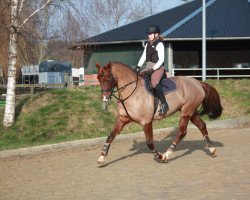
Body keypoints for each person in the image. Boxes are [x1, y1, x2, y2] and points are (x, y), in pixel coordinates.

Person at [135, 24, 169, 115]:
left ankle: (164, 103)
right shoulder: (147, 44)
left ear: (156, 34)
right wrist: (138, 67)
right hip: (148, 67)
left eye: (150, 34)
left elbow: (161, 59)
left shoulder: (160, 44)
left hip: (158, 67)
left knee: (154, 83)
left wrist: (153, 69)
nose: (148, 35)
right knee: (137, 78)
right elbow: (143, 57)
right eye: (148, 34)